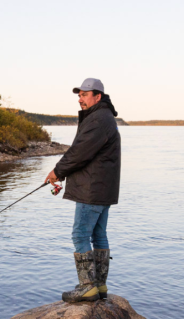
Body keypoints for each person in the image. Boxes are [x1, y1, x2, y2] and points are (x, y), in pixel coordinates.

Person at [45, 78, 121, 303]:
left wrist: (57, 171)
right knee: (98, 235)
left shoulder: (98, 119)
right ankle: (100, 285)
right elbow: (86, 152)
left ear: (97, 97)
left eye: (84, 95)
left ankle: (87, 286)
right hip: (102, 188)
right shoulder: (104, 117)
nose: (80, 99)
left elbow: (80, 152)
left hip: (93, 189)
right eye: (79, 95)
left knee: (80, 235)